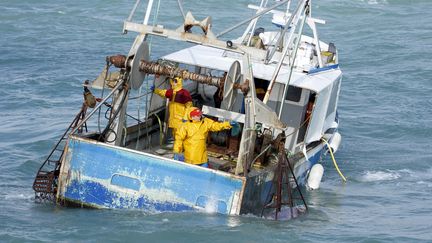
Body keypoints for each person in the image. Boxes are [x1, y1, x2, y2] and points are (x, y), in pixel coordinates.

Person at [173, 107, 237, 167]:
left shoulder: (205, 122)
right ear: (192, 117)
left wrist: (228, 124)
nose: (200, 116)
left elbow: (216, 125)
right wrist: (176, 151)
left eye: (200, 114)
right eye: (197, 115)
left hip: (203, 157)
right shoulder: (185, 126)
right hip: (190, 157)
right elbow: (179, 139)